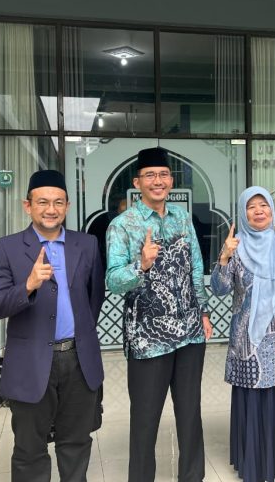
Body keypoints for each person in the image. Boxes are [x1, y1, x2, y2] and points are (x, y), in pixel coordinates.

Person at [0, 169, 104, 482]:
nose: (51, 209)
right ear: (28, 206)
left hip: (78, 359)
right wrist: (27, 286)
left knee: (76, 442)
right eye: (42, 202)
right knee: (30, 448)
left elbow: (94, 298)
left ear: (67, 206)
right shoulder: (7, 247)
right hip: (31, 362)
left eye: (58, 202)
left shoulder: (87, 244)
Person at [106, 147, 213, 482]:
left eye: (163, 174)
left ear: (171, 181)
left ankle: (192, 477)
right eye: (150, 175)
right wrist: (141, 265)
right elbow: (113, 280)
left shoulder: (182, 217)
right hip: (147, 339)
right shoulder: (123, 225)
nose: (158, 181)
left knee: (190, 415)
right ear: (137, 182)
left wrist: (203, 310)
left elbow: (196, 266)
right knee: (145, 420)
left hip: (190, 333)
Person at [210, 186, 275, 482]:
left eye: (264, 205)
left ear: (272, 209)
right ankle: (254, 463)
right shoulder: (235, 246)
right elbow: (219, 289)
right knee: (254, 399)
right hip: (249, 343)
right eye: (251, 207)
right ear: (243, 213)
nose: (259, 211)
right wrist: (224, 257)